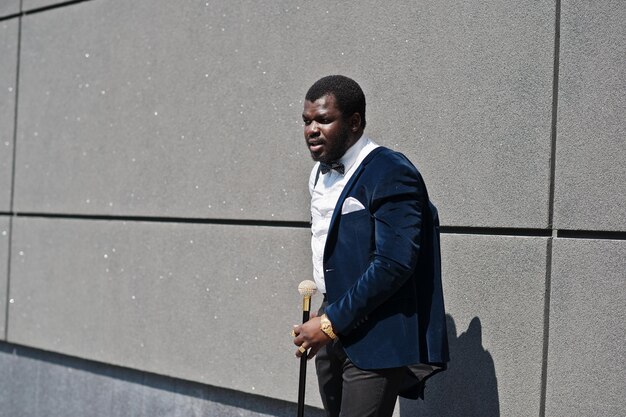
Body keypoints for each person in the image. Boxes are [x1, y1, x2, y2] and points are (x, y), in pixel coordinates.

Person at [292, 75, 449, 417]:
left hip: (377, 336)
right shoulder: (319, 174)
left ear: (354, 122)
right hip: (331, 320)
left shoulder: (391, 171)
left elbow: (394, 263)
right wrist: (324, 317)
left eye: (323, 119)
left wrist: (329, 322)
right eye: (307, 121)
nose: (312, 130)